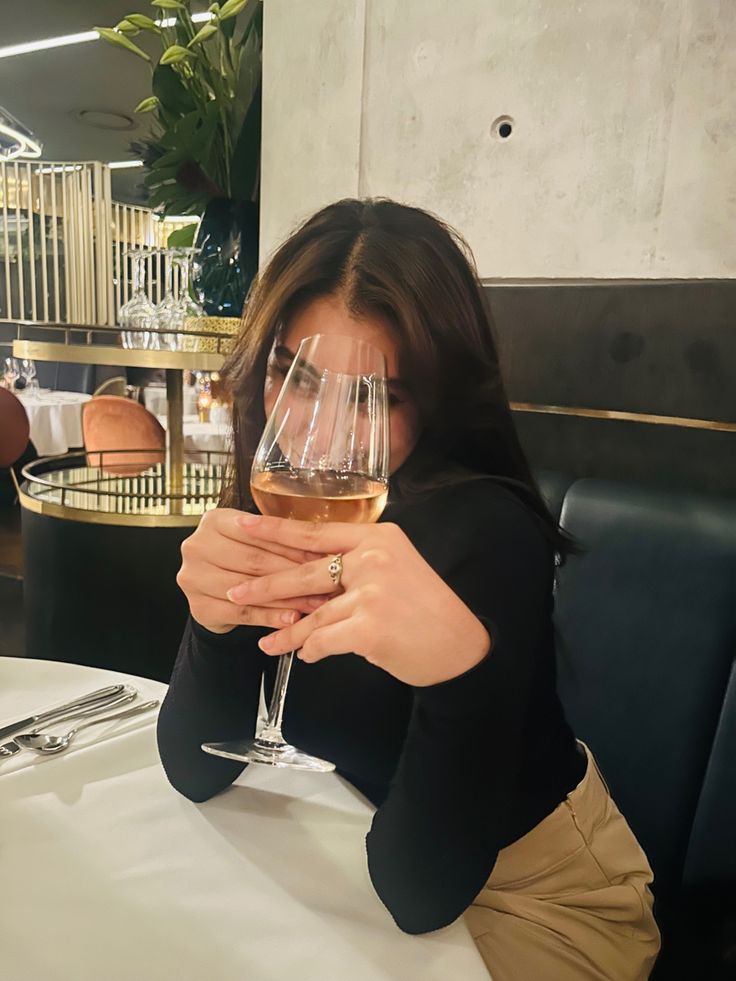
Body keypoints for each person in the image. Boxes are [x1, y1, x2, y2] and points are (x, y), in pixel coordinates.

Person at [157, 198, 660, 980]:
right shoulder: (267, 495)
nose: (320, 439)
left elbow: (419, 892)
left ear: (433, 400)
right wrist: (213, 622)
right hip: (356, 850)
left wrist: (460, 675)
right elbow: (197, 768)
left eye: (377, 397)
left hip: (537, 896)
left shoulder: (486, 534)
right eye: (297, 375)